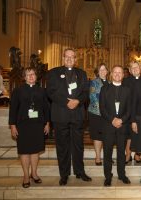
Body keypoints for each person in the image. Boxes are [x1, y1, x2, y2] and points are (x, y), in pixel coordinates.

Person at [46, 48, 91, 186]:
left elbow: (85, 92)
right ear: (63, 58)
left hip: (77, 114)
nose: (70, 59)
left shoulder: (82, 73)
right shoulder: (53, 73)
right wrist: (67, 102)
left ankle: (79, 171)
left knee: (78, 145)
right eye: (67, 57)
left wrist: (77, 101)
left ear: (76, 59)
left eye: (72, 57)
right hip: (61, 114)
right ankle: (64, 174)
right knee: (62, 146)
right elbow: (51, 92)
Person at [9, 67, 50, 188]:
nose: (31, 76)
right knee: (25, 151)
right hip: (23, 125)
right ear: (24, 77)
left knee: (35, 151)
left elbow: (46, 108)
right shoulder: (18, 91)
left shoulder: (42, 91)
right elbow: (13, 110)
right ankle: (26, 175)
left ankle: (34, 173)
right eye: (28, 75)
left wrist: (47, 123)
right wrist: (12, 125)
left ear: (36, 76)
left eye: (33, 74)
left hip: (38, 125)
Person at [99, 65, 131, 186]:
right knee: (107, 152)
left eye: (120, 72)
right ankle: (108, 176)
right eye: (115, 72)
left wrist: (121, 120)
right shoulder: (104, 89)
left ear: (123, 75)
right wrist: (112, 120)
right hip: (108, 125)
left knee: (121, 153)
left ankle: (121, 174)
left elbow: (129, 109)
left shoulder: (127, 90)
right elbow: (102, 108)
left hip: (122, 126)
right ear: (111, 74)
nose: (117, 75)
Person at [88, 63, 109, 166]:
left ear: (107, 71)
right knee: (97, 136)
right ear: (97, 72)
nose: (103, 71)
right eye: (101, 70)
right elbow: (92, 97)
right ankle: (97, 157)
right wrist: (103, 111)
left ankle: (106, 156)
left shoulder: (110, 83)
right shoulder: (93, 82)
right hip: (96, 113)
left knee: (107, 136)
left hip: (107, 115)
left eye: (104, 69)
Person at [122, 61, 141, 164]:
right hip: (128, 112)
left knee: (140, 133)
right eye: (132, 68)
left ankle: (138, 154)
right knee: (129, 135)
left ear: (140, 68)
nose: (135, 69)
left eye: (136, 67)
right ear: (129, 70)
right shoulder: (125, 81)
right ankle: (128, 154)